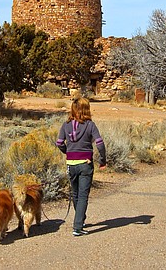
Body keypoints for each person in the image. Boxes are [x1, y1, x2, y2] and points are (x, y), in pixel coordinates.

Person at [55, 97, 106, 236]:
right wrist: (103, 160)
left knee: (76, 194)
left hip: (71, 165)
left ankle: (80, 220)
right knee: (83, 195)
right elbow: (100, 144)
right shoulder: (90, 125)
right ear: (86, 109)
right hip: (85, 164)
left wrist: (68, 152)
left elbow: (59, 142)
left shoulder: (66, 125)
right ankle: (77, 227)